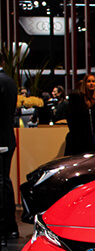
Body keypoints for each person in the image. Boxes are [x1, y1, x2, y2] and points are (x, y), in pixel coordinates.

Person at [0, 51, 19, 238]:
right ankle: (10, 224)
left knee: (2, 182)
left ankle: (6, 225)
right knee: (4, 181)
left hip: (1, 140)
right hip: (6, 137)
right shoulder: (9, 81)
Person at [65, 73, 95, 156]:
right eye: (89, 81)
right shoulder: (78, 99)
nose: (91, 83)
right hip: (79, 140)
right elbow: (71, 118)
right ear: (84, 84)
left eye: (93, 81)